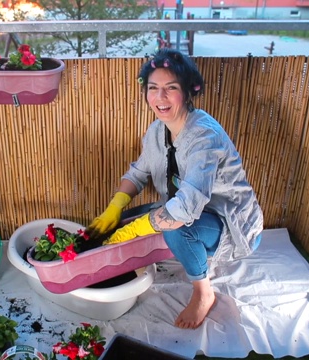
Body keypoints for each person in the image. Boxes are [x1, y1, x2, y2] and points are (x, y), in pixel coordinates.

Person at [86, 48, 264, 330]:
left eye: (171, 88)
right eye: (153, 88)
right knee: (131, 218)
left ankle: (204, 293)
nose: (160, 97)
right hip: (195, 212)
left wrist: (136, 230)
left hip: (231, 225)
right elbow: (139, 172)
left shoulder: (204, 136)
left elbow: (184, 209)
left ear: (188, 92)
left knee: (174, 227)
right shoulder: (158, 130)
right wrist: (115, 206)